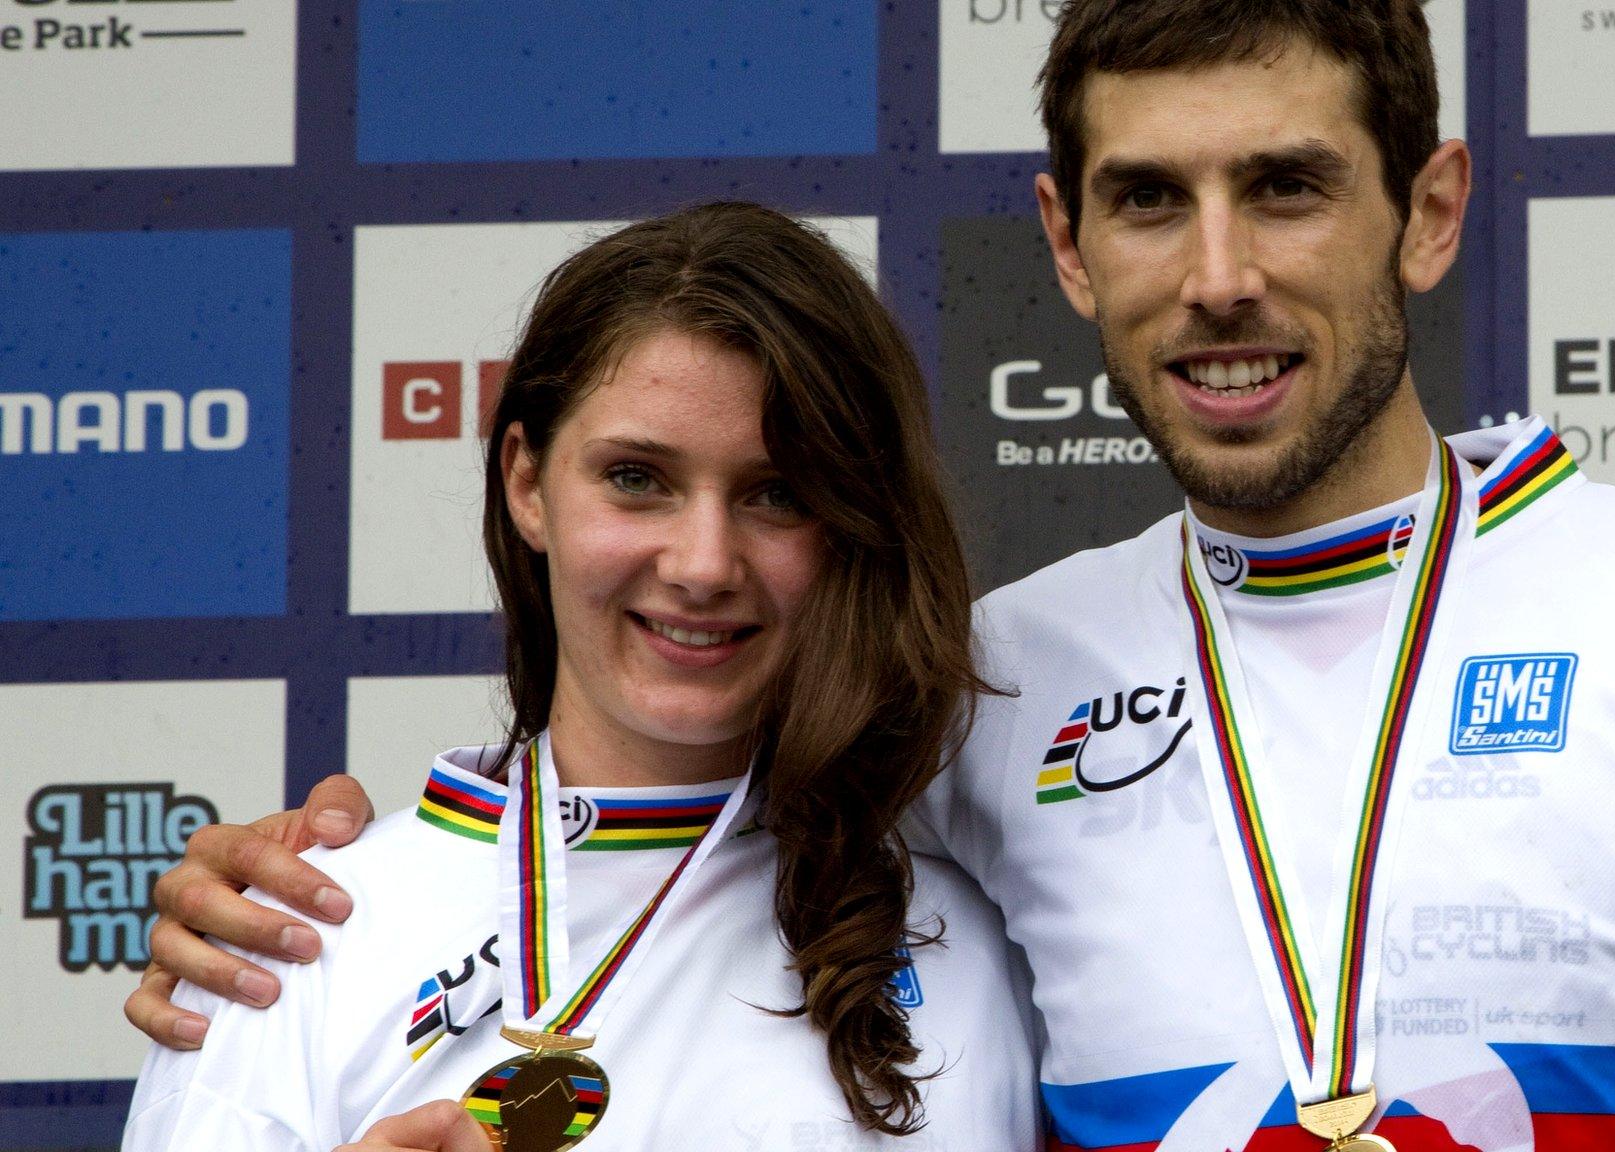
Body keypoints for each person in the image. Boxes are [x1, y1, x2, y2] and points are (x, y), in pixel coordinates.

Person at [131, 3, 1615, 1150]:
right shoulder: (989, 694)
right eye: (1149, 197)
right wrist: (293, 888)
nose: (1216, 273)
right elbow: (631, 829)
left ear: (1431, 208)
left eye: (1286, 184)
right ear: (1065, 244)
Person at [120, 202, 1038, 1151]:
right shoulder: (298, 937)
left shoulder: (994, 922)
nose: (703, 563)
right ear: (526, 482)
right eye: (638, 478)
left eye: (779, 493)